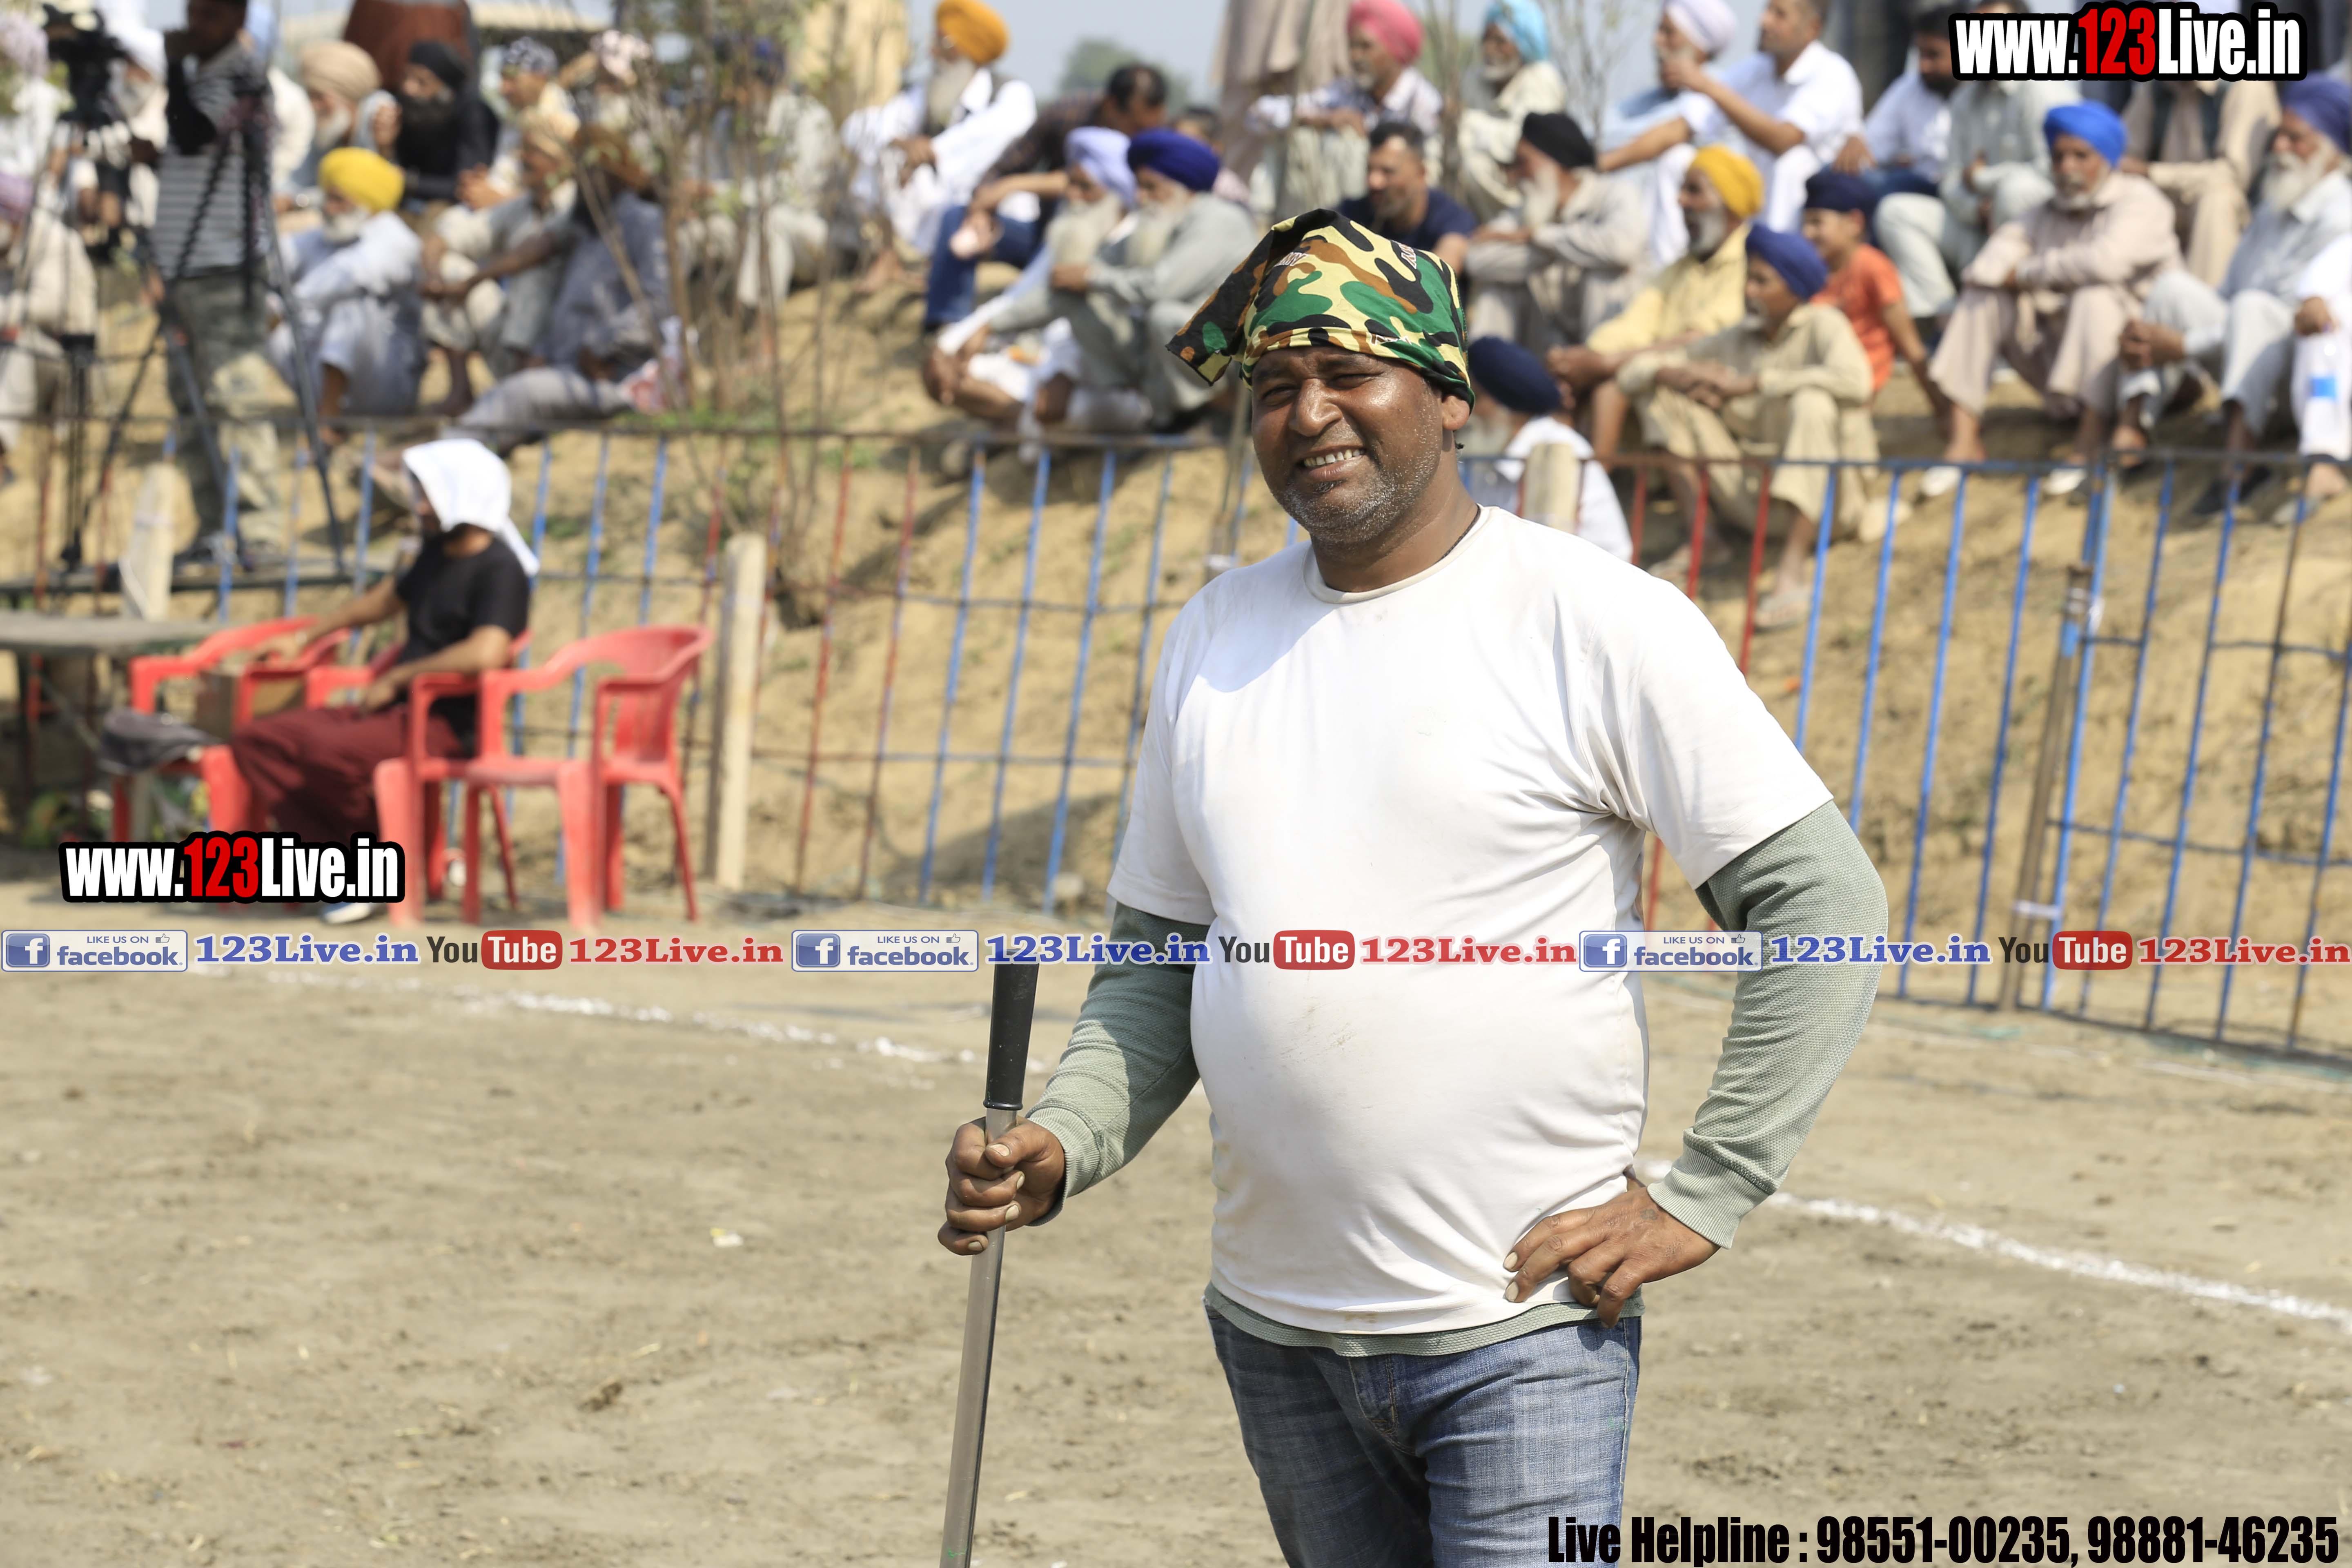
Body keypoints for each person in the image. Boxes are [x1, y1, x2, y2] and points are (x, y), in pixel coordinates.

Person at [943, 207, 1882, 1559]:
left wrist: (1707, 1189)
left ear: (1449, 396)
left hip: (1521, 1336)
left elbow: (1823, 905)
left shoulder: (1593, 620)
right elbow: (1159, 966)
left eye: (1349, 373)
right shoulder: (1212, 637)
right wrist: (1064, 1139)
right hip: (1275, 1332)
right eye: (1276, 386)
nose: (1309, 413)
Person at [230, 438, 534, 926]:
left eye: (430, 495)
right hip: (397, 714)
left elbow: (487, 652)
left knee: (329, 754)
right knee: (259, 741)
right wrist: (306, 637)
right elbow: (384, 601)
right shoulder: (437, 553)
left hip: (447, 723)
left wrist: (398, 678)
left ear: (464, 493)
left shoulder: (501, 569)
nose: (420, 507)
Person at [2114, 79, 2352, 520]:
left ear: (2331, 151)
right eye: (2279, 135)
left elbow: (2293, 319)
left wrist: (2184, 346)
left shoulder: (2341, 218)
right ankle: (2130, 434)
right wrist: (2160, 338)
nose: (2278, 147)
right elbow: (2225, 296)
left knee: (2255, 307)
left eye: (2295, 139)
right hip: (2245, 353)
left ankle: (2240, 464)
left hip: (2299, 378)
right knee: (2171, 288)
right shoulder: (2273, 205)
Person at [1620, 225, 1878, 627]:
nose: (1749, 291)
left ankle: (1792, 567)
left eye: (1762, 282)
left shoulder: (1825, 325)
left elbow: (1856, 383)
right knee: (1662, 392)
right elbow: (1632, 374)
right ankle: (1704, 539)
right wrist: (1673, 373)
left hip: (1829, 505)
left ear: (1794, 289)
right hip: (1753, 496)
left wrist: (1756, 383)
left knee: (1812, 402)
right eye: (1748, 279)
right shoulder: (1736, 338)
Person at [1923, 101, 2180, 499]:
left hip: (2143, 372)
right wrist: (2009, 274)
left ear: (2107, 159)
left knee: (2095, 297)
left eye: (2080, 156)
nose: (2066, 167)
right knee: (1982, 296)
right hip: (2059, 360)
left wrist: (2027, 273)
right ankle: (1963, 441)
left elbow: (2104, 262)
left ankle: (2087, 446)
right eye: (2059, 157)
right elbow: (1986, 267)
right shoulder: (2045, 211)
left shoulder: (2141, 201)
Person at [147, 0, 281, 568]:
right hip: (184, 265)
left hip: (223, 265)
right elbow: (189, 149)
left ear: (237, 18)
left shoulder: (242, 77)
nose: (193, 27)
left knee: (236, 397)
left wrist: (172, 68)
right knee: (192, 402)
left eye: (208, 15)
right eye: (192, 13)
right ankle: (214, 528)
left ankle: (260, 531)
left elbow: (193, 133)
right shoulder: (203, 75)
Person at [449, 131, 674, 451]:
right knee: (511, 395)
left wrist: (603, 346)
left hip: (616, 377)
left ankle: (430, 464)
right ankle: (437, 457)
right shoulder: (586, 227)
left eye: (590, 171)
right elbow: (562, 292)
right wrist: (543, 350)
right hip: (565, 366)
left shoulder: (644, 222)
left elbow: (659, 302)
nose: (581, 181)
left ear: (614, 173)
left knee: (521, 393)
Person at [1597, 0, 1861, 269]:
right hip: (1752, 196)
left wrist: (1708, 86)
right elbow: (1679, 129)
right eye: (1767, 11)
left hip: (1812, 205)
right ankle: (1671, 271)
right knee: (1677, 159)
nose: (1764, 21)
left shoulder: (1832, 73)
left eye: (1779, 15)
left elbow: (1783, 140)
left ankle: (1775, 263)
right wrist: (1600, 165)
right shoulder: (1755, 69)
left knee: (1790, 163)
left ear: (1812, 28)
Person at [1549, 145, 1760, 464]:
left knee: (1612, 383)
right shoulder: (1681, 268)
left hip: (1715, 393)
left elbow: (1700, 340)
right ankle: (1569, 483)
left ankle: (1593, 481)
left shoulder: (1751, 264)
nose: (1680, 201)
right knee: (1569, 386)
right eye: (1682, 190)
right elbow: (1634, 324)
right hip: (1659, 377)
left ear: (1729, 205)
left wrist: (1607, 363)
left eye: (1694, 191)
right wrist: (1580, 361)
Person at [923, 127, 1141, 431]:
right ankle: (1023, 429)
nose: (1072, 196)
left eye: (1086, 187)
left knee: (1069, 410)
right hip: (1042, 363)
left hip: (1104, 379)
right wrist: (950, 345)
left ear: (1117, 193)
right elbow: (1019, 297)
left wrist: (1066, 372)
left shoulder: (1136, 245)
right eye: (1071, 184)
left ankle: (1014, 430)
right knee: (949, 372)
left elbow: (1115, 330)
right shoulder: (1073, 233)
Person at [1873, 2, 2076, 324]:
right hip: (1980, 222)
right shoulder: (1965, 100)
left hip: (2040, 227)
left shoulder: (2045, 90)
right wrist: (1976, 208)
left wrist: (1983, 179)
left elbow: (2059, 170)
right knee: (1895, 211)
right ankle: (1945, 318)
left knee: (2015, 191)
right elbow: (1952, 180)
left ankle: (2011, 313)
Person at [926, 62, 1167, 330]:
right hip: (1045, 234)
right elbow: (1003, 169)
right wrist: (981, 214)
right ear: (1112, 105)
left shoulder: (1154, 145)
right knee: (957, 217)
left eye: (1083, 186)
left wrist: (1015, 185)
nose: (1140, 134)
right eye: (1135, 125)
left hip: (1096, 250)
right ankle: (947, 323)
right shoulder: (1068, 114)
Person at [1046, 127, 1257, 431]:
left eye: (1151, 187)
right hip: (1187, 352)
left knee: (1165, 318)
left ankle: (1222, 412)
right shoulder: (1162, 221)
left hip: (1231, 350)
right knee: (1084, 308)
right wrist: (992, 325)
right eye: (1139, 187)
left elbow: (1160, 287)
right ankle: (1166, 413)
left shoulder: (1218, 218)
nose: (1141, 197)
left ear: (1181, 183)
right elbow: (1087, 270)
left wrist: (1093, 277)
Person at [841, 0, 1035, 296]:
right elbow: (857, 128)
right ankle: (888, 256)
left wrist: (931, 151)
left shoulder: (1012, 94)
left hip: (989, 211)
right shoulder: (928, 92)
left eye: (944, 43)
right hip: (934, 206)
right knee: (884, 151)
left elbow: (980, 143)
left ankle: (938, 267)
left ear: (969, 49)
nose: (933, 52)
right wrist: (902, 143)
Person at [420, 107, 577, 414]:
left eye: (532, 151)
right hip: (512, 339)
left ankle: (527, 394)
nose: (522, 158)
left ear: (557, 160)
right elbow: (445, 238)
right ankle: (461, 393)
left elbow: (538, 250)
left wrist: (473, 282)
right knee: (449, 268)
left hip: (557, 349)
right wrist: (434, 277)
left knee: (534, 276)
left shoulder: (575, 202)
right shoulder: (523, 206)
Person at [1464, 111, 1649, 355]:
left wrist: (1538, 237)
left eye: (1523, 162)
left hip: (1606, 348)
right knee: (1499, 283)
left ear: (1554, 161)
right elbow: (1476, 259)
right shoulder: (1528, 209)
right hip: (1545, 349)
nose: (1515, 174)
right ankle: (1490, 370)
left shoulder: (1613, 194)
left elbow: (1623, 249)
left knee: (1605, 273)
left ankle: (1598, 365)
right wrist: (1556, 249)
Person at [270, 148, 425, 428]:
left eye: (339, 200)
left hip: (385, 384)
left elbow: (347, 274)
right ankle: (316, 407)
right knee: (262, 308)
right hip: (315, 367)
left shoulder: (396, 238)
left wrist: (283, 308)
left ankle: (327, 425)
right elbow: (274, 259)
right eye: (328, 198)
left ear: (367, 204)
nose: (329, 209)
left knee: (348, 306)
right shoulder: (330, 233)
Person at [1245, 0, 1444, 216]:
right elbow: (1260, 114)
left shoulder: (1422, 100)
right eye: (1352, 46)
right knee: (1301, 136)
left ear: (1395, 50)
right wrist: (1326, 119)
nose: (1355, 56)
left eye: (1366, 47)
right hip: (1351, 202)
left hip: (1399, 209)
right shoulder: (1346, 91)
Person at [1463, 335, 1633, 559]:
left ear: (1506, 403)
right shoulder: (1495, 457)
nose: (1467, 412)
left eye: (1476, 398)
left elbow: (1545, 556)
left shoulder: (1556, 449)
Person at [1800, 169, 1944, 411]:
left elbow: (1910, 344)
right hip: (1819, 372)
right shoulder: (1812, 270)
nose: (1807, 233)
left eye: (1817, 222)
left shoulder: (1872, 267)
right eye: (1805, 223)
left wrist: (1941, 409)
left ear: (1854, 223)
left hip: (1857, 381)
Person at [2120, 77, 2279, 289]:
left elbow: (2233, 175)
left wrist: (2152, 172)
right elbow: (2125, 155)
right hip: (2166, 205)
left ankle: (2204, 303)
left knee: (2217, 200)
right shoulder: (2157, 87)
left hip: (2234, 216)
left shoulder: (2246, 86)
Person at [0, 172, 96, 487]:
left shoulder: (53, 240)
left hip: (71, 359)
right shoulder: (13, 246)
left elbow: (45, 307)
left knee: (18, 344)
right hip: (40, 362)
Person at [1827, 5, 1956, 214]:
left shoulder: (1981, 94)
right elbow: (1871, 148)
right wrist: (1856, 142)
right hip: (1917, 184)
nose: (1923, 66)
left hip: (1958, 193)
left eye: (1934, 55)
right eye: (1920, 54)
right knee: (1834, 175)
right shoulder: (1912, 87)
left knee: (1894, 187)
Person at [1454, 0, 1566, 221]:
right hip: (1483, 188)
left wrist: (1467, 122)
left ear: (1523, 43)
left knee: (1474, 165)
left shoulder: (1541, 77)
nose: (1489, 49)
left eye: (1500, 41)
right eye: (1486, 39)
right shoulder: (1474, 78)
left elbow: (1525, 143)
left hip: (1529, 188)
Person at [1338, 120, 1475, 273]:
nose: (1374, 182)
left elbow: (1442, 275)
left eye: (1388, 172)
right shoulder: (1350, 215)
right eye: (1370, 170)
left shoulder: (1450, 217)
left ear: (1421, 173)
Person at [283, 40, 396, 207]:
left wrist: (298, 201)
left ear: (346, 94)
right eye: (311, 97)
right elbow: (299, 180)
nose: (314, 106)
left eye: (320, 97)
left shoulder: (378, 114)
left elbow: (362, 189)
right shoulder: (328, 129)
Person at [389, 39, 500, 207]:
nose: (408, 88)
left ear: (446, 91)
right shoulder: (405, 105)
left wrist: (408, 182)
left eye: (422, 82)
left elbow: (465, 186)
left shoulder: (474, 114)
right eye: (406, 77)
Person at [468, 36, 570, 209]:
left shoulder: (559, 121)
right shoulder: (519, 113)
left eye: (513, 79)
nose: (504, 88)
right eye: (503, 78)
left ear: (540, 77)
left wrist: (501, 200)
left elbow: (559, 191)